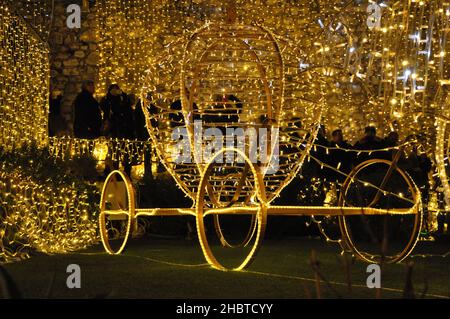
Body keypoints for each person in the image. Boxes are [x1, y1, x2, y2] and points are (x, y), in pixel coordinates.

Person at [100, 84, 135, 177]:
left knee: (124, 152)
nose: (115, 91)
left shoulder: (123, 99)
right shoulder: (107, 100)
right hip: (113, 130)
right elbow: (105, 108)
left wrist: (122, 94)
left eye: (117, 89)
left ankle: (125, 173)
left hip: (124, 130)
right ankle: (112, 171)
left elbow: (128, 107)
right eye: (113, 89)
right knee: (114, 151)